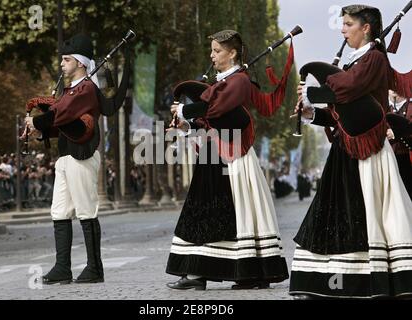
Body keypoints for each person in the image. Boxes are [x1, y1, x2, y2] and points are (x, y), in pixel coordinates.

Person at [289, 5, 412, 299]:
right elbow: (338, 113)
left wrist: (315, 92)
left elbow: (349, 88)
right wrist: (310, 112)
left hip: (368, 151)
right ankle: (319, 282)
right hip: (345, 150)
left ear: (365, 27)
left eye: (347, 24)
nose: (342, 30)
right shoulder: (355, 63)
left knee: (367, 214)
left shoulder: (374, 60)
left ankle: (376, 283)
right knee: (330, 213)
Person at [165, 30, 289, 290]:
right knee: (204, 211)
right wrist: (186, 125)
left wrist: (184, 110)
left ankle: (249, 273)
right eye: (211, 50)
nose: (212, 55)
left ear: (232, 53)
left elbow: (216, 109)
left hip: (233, 157)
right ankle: (198, 273)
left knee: (233, 213)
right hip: (214, 155)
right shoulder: (223, 83)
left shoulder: (240, 81)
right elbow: (210, 120)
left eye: (217, 51)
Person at [23, 34, 104, 284]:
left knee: (86, 211)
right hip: (66, 156)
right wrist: (41, 131)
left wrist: (36, 121)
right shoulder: (72, 89)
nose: (61, 64)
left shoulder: (87, 89)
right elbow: (65, 123)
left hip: (82, 157)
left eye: (66, 59)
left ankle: (94, 268)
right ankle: (62, 268)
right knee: (59, 211)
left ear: (80, 62)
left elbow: (63, 112)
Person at [388, 90, 411, 198]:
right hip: (389, 158)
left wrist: (395, 133)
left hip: (408, 157)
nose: (394, 89)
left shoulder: (410, 105)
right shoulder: (380, 106)